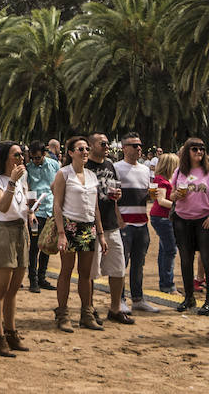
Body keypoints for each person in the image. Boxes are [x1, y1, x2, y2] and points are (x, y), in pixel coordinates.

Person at [170, 137, 209, 316]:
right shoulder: (179, 171)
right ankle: (189, 297)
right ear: (187, 151)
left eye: (202, 149)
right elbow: (172, 194)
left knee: (208, 260)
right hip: (182, 219)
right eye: (195, 149)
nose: (199, 152)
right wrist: (175, 196)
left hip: (205, 219)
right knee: (186, 260)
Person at [52, 136, 107, 333]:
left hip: (88, 227)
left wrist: (100, 233)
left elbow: (96, 207)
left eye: (86, 149)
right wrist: (61, 233)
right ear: (71, 153)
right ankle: (63, 314)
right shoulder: (63, 174)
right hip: (69, 226)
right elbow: (57, 204)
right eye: (80, 149)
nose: (85, 152)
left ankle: (87, 313)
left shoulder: (92, 176)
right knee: (66, 271)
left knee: (86, 274)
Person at [0, 141, 32, 356]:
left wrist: (30, 211)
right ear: (4, 158)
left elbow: (21, 205)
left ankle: (11, 332)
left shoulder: (23, 178)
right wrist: (11, 182)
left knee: (14, 287)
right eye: (16, 155)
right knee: (0, 289)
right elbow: (2, 206)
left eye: (22, 154)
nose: (21, 158)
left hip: (20, 229)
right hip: (3, 231)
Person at [86, 133, 133, 324]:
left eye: (107, 143)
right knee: (90, 272)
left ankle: (115, 308)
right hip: (91, 225)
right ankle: (88, 309)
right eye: (102, 143)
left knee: (118, 268)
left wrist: (118, 200)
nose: (106, 146)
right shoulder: (85, 167)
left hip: (111, 224)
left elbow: (113, 190)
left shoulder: (109, 165)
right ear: (91, 146)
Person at [115, 132, 159, 313]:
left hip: (142, 222)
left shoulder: (144, 169)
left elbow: (146, 193)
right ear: (124, 148)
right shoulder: (116, 167)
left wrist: (151, 195)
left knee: (138, 263)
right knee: (121, 264)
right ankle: (119, 299)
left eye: (140, 145)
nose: (139, 148)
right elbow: (113, 197)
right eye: (134, 145)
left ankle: (138, 299)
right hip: (125, 223)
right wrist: (119, 220)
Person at [25, 140, 59, 293]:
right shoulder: (28, 169)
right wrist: (31, 210)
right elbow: (28, 188)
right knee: (34, 246)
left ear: (44, 153)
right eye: (32, 158)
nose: (35, 161)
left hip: (50, 212)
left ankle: (42, 277)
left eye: (38, 157)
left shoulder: (54, 165)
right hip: (35, 212)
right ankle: (33, 279)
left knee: (47, 245)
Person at [151, 153, 180, 295]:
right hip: (162, 217)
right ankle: (168, 284)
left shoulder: (166, 179)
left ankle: (166, 282)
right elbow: (161, 200)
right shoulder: (161, 180)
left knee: (165, 250)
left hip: (164, 217)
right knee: (170, 250)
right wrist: (178, 207)